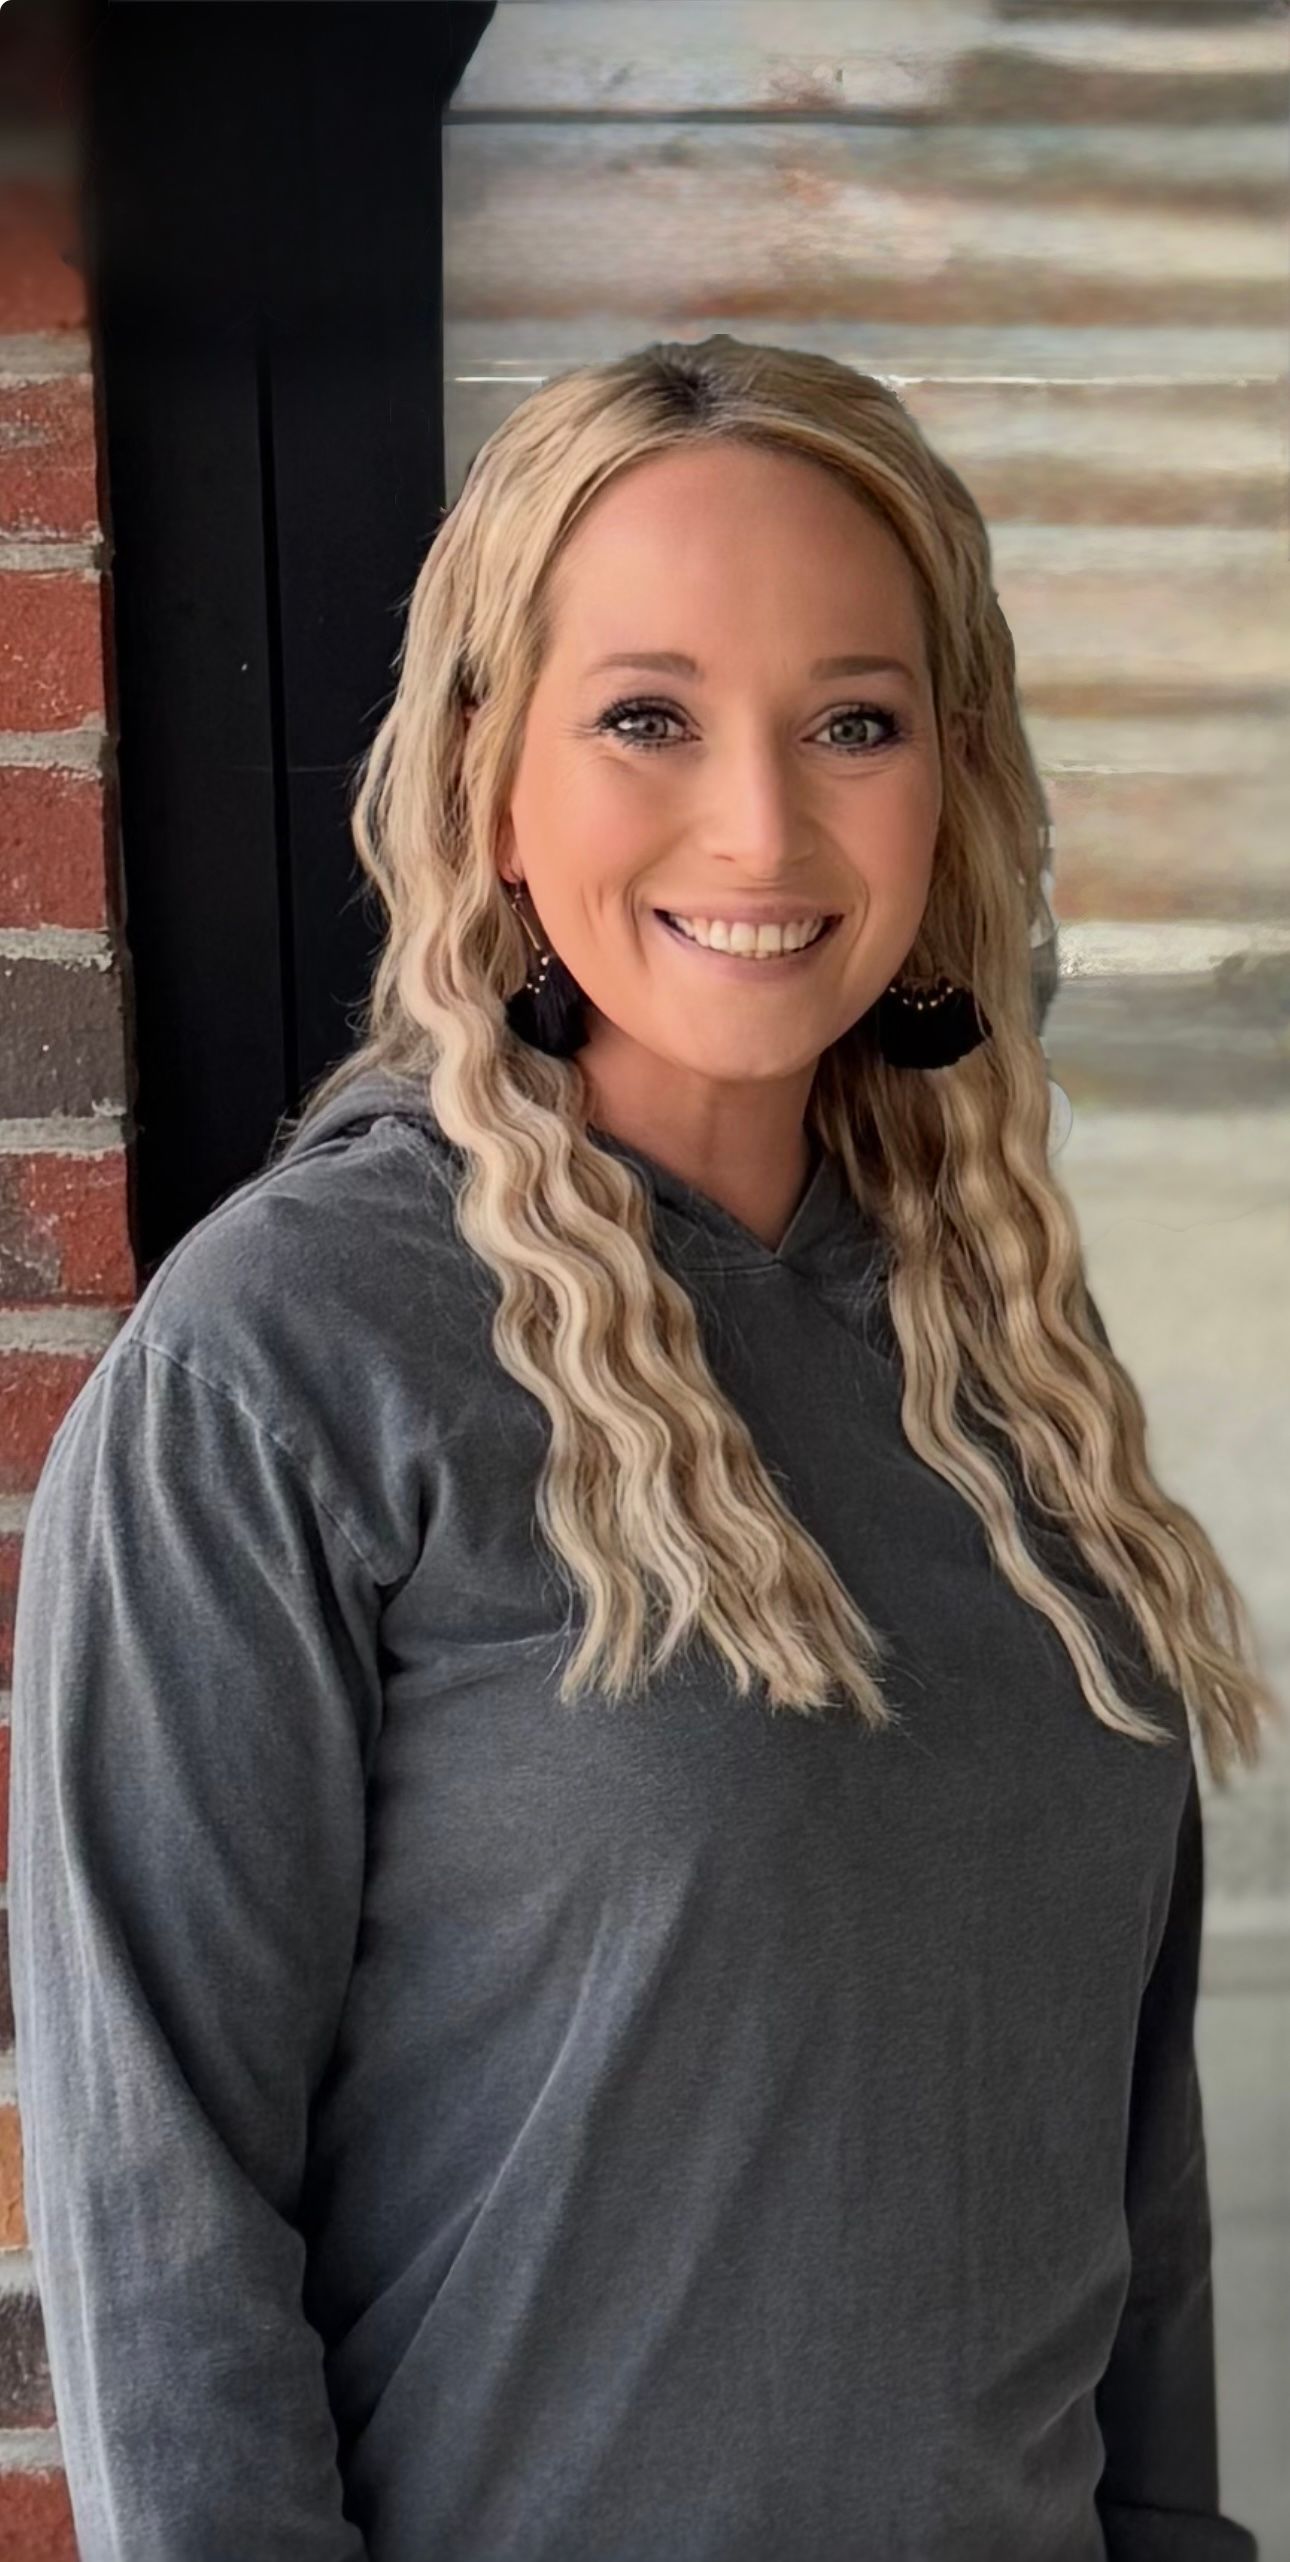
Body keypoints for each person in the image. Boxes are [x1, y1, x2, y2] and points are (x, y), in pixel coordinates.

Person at [10, 333, 1278, 2561]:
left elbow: (1117, 2199)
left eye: (854, 724)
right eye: (647, 717)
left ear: (952, 780)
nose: (765, 827)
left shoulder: (1002, 1360)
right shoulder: (293, 1359)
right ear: (491, 770)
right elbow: (162, 2230)